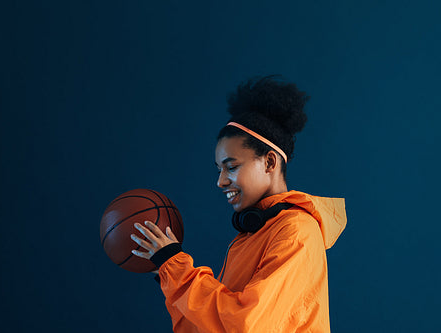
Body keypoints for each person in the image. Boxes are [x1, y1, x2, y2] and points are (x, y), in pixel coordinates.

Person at [130, 75, 347, 332]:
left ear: (269, 163)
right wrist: (166, 275)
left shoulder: (296, 232)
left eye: (231, 167)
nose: (220, 182)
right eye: (218, 170)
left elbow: (246, 324)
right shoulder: (251, 236)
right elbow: (208, 326)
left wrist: (177, 270)